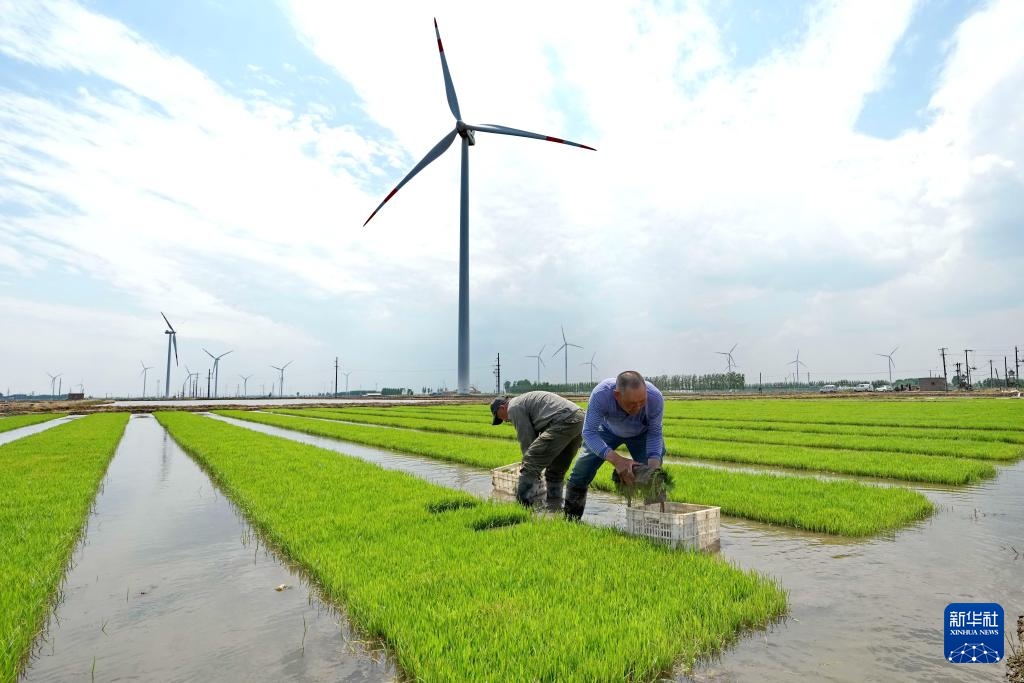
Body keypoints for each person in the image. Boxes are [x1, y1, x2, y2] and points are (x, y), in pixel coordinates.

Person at [563, 370, 665, 520]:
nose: (638, 408)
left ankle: (654, 524)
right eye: (632, 404)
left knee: (654, 480)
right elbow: (589, 432)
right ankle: (571, 520)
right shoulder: (601, 394)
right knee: (581, 471)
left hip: (641, 434)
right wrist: (618, 461)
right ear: (617, 395)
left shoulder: (655, 397)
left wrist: (653, 470)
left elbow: (655, 433)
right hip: (608, 430)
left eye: (642, 402)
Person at [490, 391, 585, 510]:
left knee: (530, 462)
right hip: (580, 419)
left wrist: (530, 465)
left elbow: (527, 439)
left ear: (502, 407)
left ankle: (522, 508)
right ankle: (554, 507)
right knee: (555, 471)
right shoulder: (522, 401)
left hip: (564, 420)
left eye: (500, 417)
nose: (504, 420)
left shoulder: (513, 407)